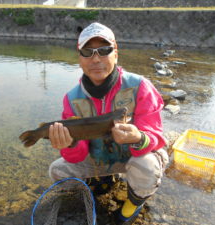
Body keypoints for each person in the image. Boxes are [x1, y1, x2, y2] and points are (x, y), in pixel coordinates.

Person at [48, 22, 169, 225]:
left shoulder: (140, 86)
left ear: (116, 53)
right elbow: (76, 156)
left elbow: (156, 137)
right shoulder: (72, 99)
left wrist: (139, 137)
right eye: (88, 52)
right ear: (79, 58)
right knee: (58, 171)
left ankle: (134, 200)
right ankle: (101, 179)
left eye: (104, 50)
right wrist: (69, 144)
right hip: (99, 158)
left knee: (147, 165)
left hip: (134, 158)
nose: (96, 59)